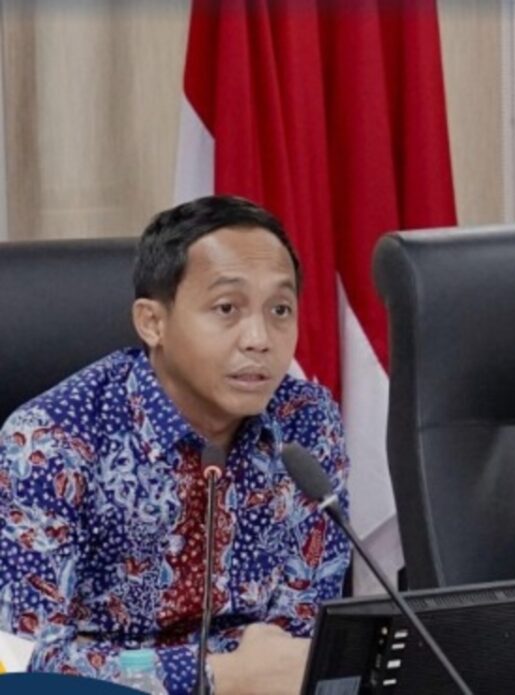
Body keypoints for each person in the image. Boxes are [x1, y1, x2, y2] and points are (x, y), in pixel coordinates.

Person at [0, 196, 350, 694]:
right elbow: (21, 658)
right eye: (227, 309)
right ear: (152, 322)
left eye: (280, 310)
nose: (260, 339)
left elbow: (302, 633)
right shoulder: (49, 441)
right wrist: (214, 676)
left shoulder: (305, 420)